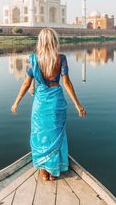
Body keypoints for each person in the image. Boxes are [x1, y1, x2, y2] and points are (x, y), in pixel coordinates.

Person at [11, 27, 87, 181]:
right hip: (56, 102)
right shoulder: (61, 59)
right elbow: (66, 83)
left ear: (40, 42)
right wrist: (78, 105)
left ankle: (43, 171)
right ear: (54, 41)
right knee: (55, 135)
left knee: (40, 135)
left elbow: (26, 84)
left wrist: (16, 102)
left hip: (41, 102)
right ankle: (54, 170)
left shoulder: (33, 59)